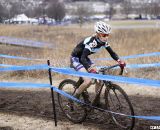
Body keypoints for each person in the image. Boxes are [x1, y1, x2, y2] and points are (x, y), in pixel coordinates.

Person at [70, 21, 126, 103]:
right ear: (98, 34)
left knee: (99, 79)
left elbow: (112, 53)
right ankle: (74, 98)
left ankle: (96, 101)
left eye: (108, 35)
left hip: (85, 58)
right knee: (88, 81)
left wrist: (119, 60)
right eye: (104, 35)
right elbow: (82, 58)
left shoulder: (104, 42)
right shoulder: (92, 42)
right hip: (76, 59)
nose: (106, 37)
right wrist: (90, 69)